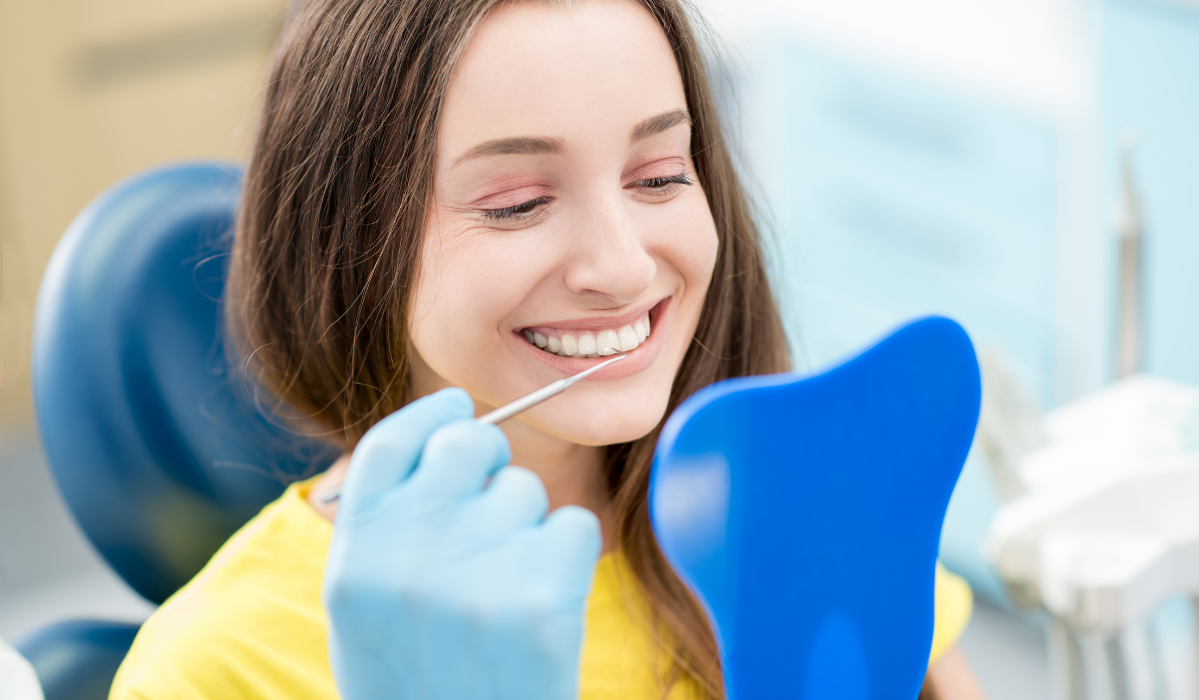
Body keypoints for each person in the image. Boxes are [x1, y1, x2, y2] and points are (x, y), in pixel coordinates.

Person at [109, 0, 988, 698]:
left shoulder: (806, 498)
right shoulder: (213, 671)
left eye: (658, 177)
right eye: (518, 202)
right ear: (347, 242)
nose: (623, 265)